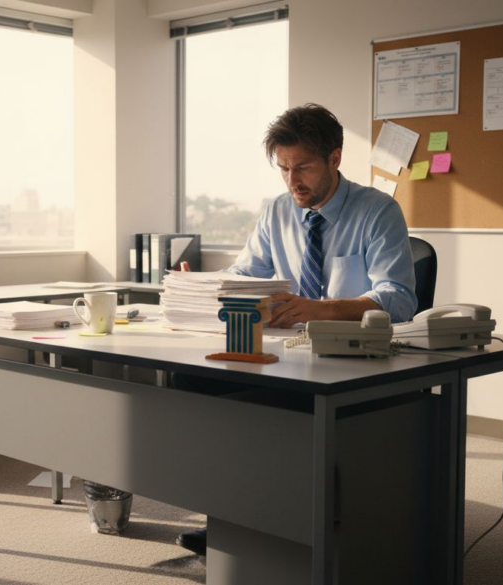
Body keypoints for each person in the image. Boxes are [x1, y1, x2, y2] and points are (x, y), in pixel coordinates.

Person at [175, 103, 417, 556]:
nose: (292, 181)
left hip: (347, 362)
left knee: (272, 405)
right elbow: (248, 275)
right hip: (285, 355)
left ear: (335, 158)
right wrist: (204, 285)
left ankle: (290, 520)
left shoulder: (378, 212)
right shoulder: (277, 213)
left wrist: (319, 309)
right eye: (284, 169)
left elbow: (400, 300)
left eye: (302, 167)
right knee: (191, 381)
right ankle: (233, 517)